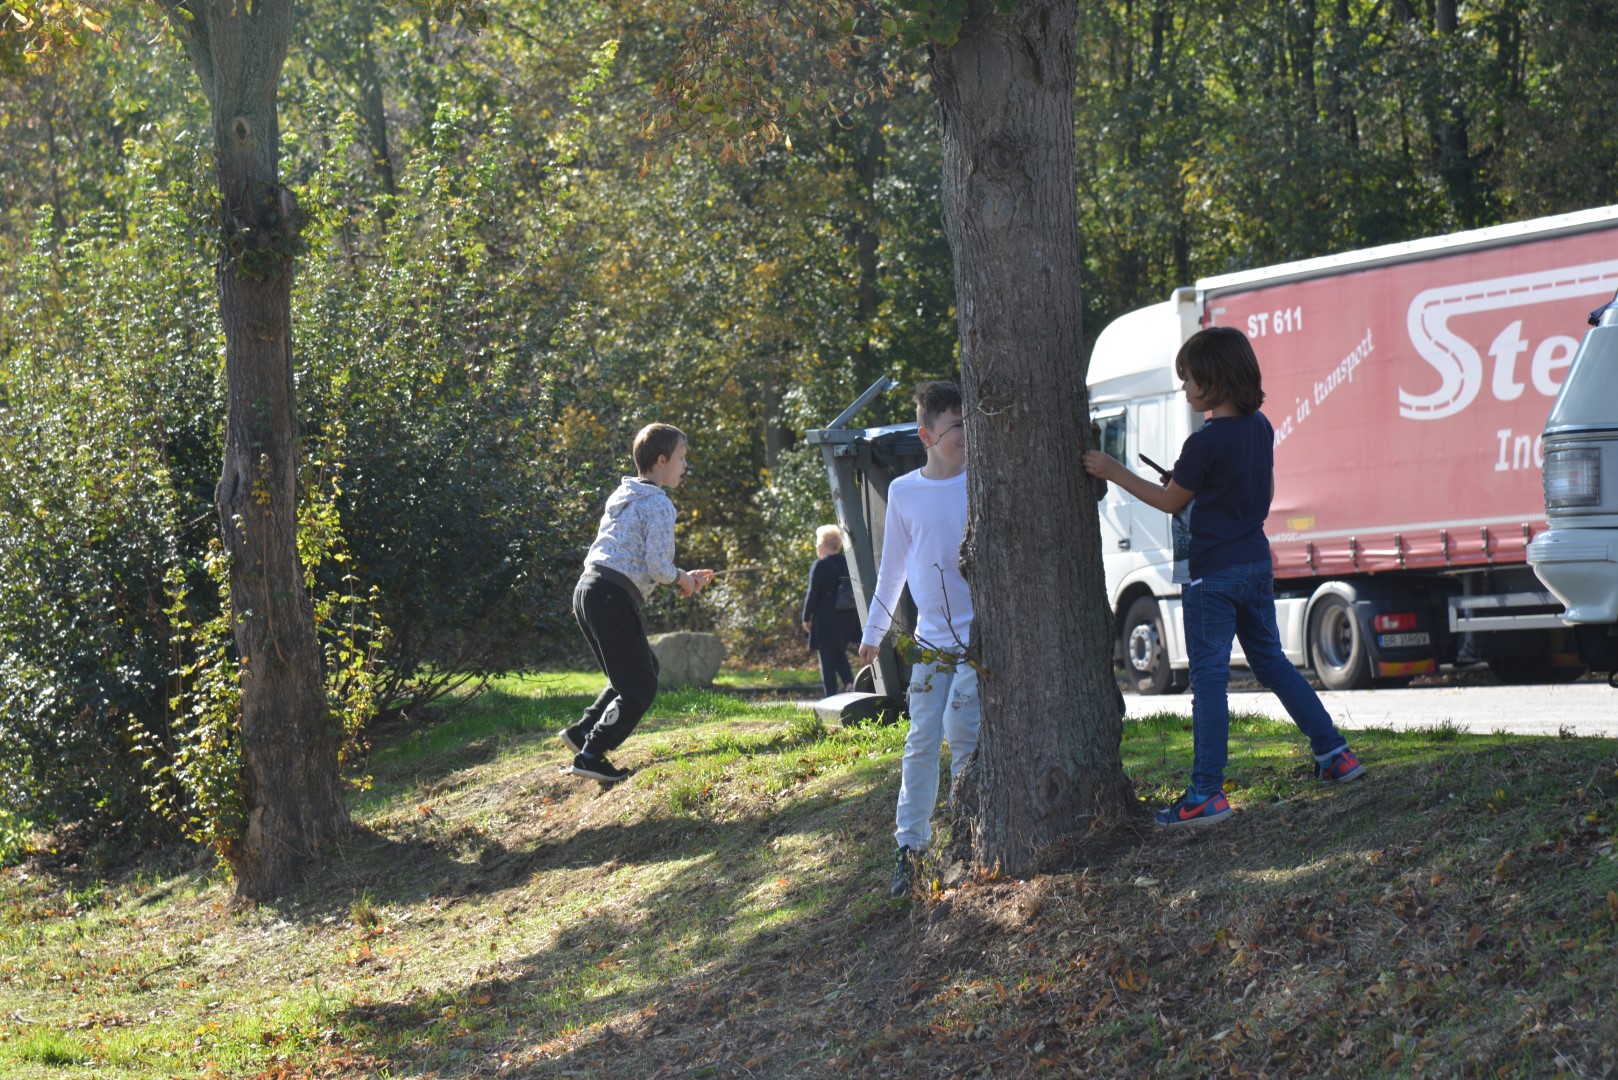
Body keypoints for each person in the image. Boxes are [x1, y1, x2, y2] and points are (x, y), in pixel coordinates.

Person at [1082, 326, 1365, 827]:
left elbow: (1169, 500)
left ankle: (1206, 794)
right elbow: (1252, 491)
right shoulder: (1261, 429)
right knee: (1273, 664)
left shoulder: (1204, 441)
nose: (1185, 388)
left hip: (1210, 574)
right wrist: (1200, 489)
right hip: (1255, 563)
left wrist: (1112, 469)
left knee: (1209, 681)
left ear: (1214, 380)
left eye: (1190, 378)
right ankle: (1336, 754)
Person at [859, 381, 979, 898]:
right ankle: (910, 848)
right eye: (955, 427)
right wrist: (874, 631)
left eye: (968, 423)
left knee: (964, 726)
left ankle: (969, 831)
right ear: (927, 436)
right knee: (921, 741)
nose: (965, 435)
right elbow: (892, 569)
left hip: (979, 640)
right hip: (931, 642)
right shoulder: (904, 492)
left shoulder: (981, 481)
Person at [560, 423, 714, 783]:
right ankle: (592, 753)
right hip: (611, 596)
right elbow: (658, 567)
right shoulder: (659, 503)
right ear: (662, 460)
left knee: (638, 670)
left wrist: (682, 576)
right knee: (640, 686)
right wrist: (683, 579)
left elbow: (637, 559)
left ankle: (582, 732)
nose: (685, 465)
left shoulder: (624, 494)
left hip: (588, 590)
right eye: (681, 458)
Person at [802, 525, 861, 697]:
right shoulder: (847, 562)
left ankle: (830, 696)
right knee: (840, 653)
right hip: (846, 617)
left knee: (826, 659)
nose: (816, 545)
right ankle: (849, 685)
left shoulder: (820, 565)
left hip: (825, 620)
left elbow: (812, 593)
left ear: (824, 543)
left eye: (817, 542)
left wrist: (806, 616)